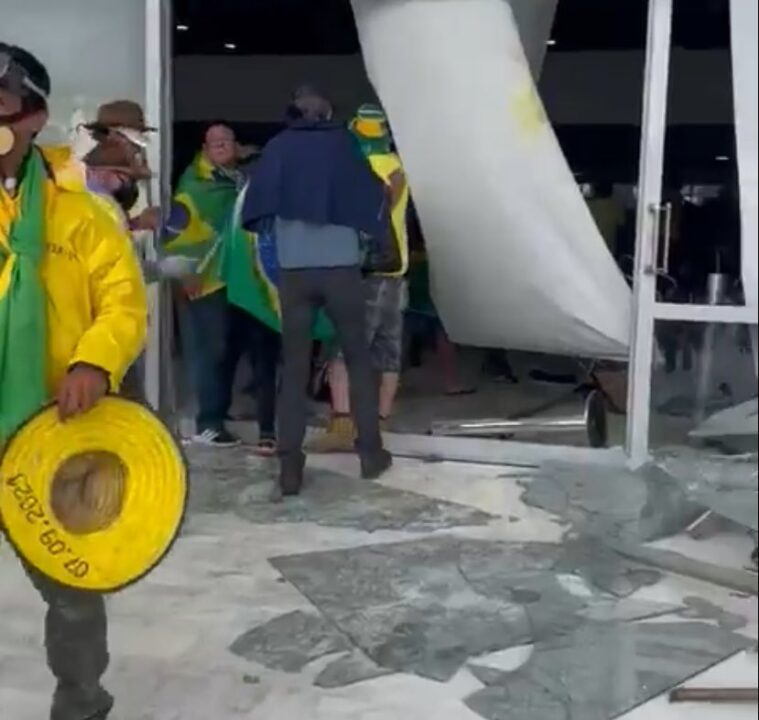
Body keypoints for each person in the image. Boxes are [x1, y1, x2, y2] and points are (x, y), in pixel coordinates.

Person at [0, 43, 148, 720]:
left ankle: (81, 700)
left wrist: (93, 361)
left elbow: (122, 301)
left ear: (33, 116)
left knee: (71, 585)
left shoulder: (79, 212)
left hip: (51, 430)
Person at [243, 86, 393, 496]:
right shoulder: (343, 144)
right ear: (327, 112)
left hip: (295, 272)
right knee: (358, 359)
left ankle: (290, 466)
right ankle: (370, 452)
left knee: (293, 368)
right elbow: (373, 196)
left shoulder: (277, 147)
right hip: (341, 270)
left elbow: (255, 209)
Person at [164, 122, 280, 451]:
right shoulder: (195, 183)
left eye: (226, 140)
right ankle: (209, 424)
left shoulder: (238, 179)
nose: (220, 145)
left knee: (231, 351)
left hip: (235, 279)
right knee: (210, 351)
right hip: (204, 279)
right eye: (213, 141)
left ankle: (226, 415)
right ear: (203, 147)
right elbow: (177, 230)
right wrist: (183, 270)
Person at [310, 104, 410, 452]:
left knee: (345, 348)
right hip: (396, 271)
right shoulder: (398, 166)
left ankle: (342, 423)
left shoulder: (352, 168)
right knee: (389, 351)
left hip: (361, 272)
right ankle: (381, 422)